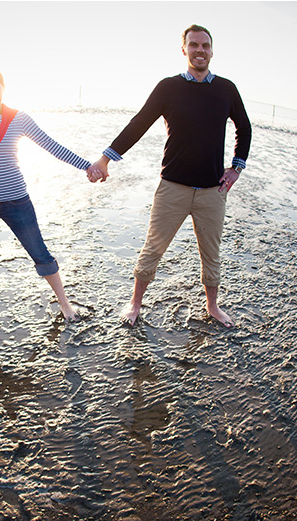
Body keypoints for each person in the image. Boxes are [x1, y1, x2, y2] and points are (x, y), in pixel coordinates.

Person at [89, 24, 252, 327]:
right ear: (184, 50)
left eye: (205, 45)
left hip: (212, 192)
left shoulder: (226, 89)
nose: (199, 50)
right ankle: (135, 304)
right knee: (153, 248)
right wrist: (105, 158)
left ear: (212, 51)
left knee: (212, 254)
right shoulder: (168, 87)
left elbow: (244, 127)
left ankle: (213, 307)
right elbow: (139, 123)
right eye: (194, 45)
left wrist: (236, 168)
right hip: (172, 188)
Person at [0, 67, 97, 323]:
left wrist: (87, 166)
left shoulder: (18, 118)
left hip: (17, 201)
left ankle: (65, 304)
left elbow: (52, 146)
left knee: (40, 252)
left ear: (3, 87)